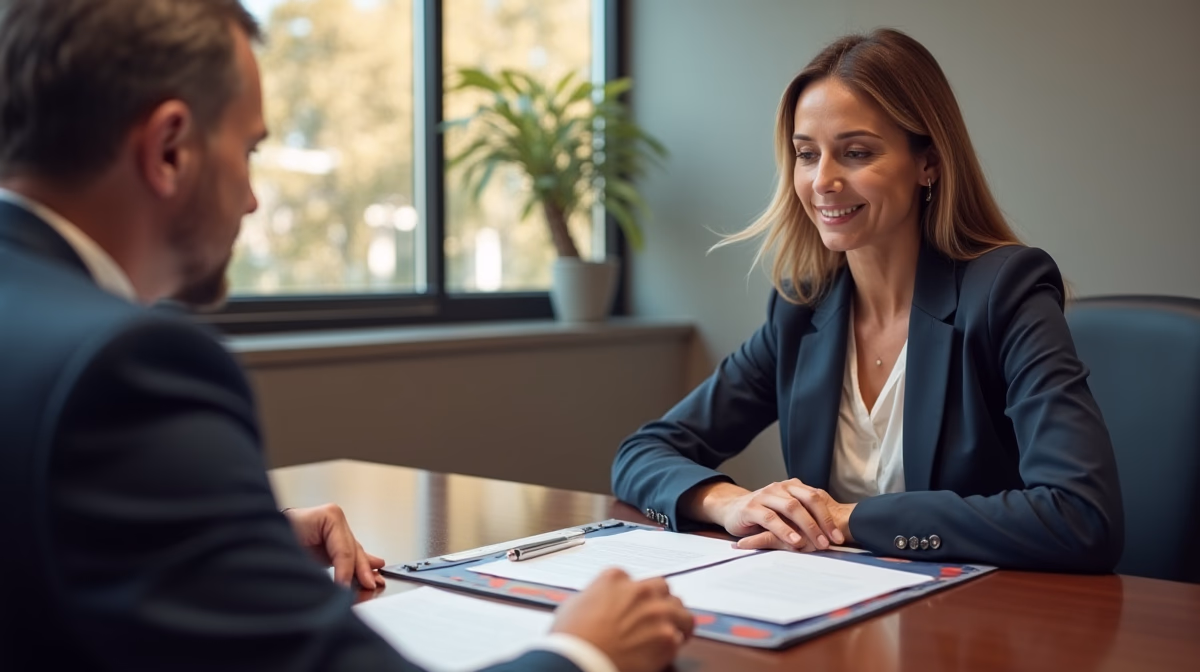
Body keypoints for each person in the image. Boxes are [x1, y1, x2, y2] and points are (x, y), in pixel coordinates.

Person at [0, 1, 692, 670]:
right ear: (170, 150)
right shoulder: (124, 368)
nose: (251, 199)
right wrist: (582, 652)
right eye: (249, 149)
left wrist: (231, 536)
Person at [612, 28, 1124, 573]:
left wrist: (845, 520)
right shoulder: (801, 309)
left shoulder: (1006, 293)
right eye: (807, 155)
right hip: (835, 613)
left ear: (927, 162)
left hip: (974, 628)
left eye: (856, 153)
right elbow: (642, 454)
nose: (823, 180)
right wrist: (733, 503)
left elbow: (1081, 517)